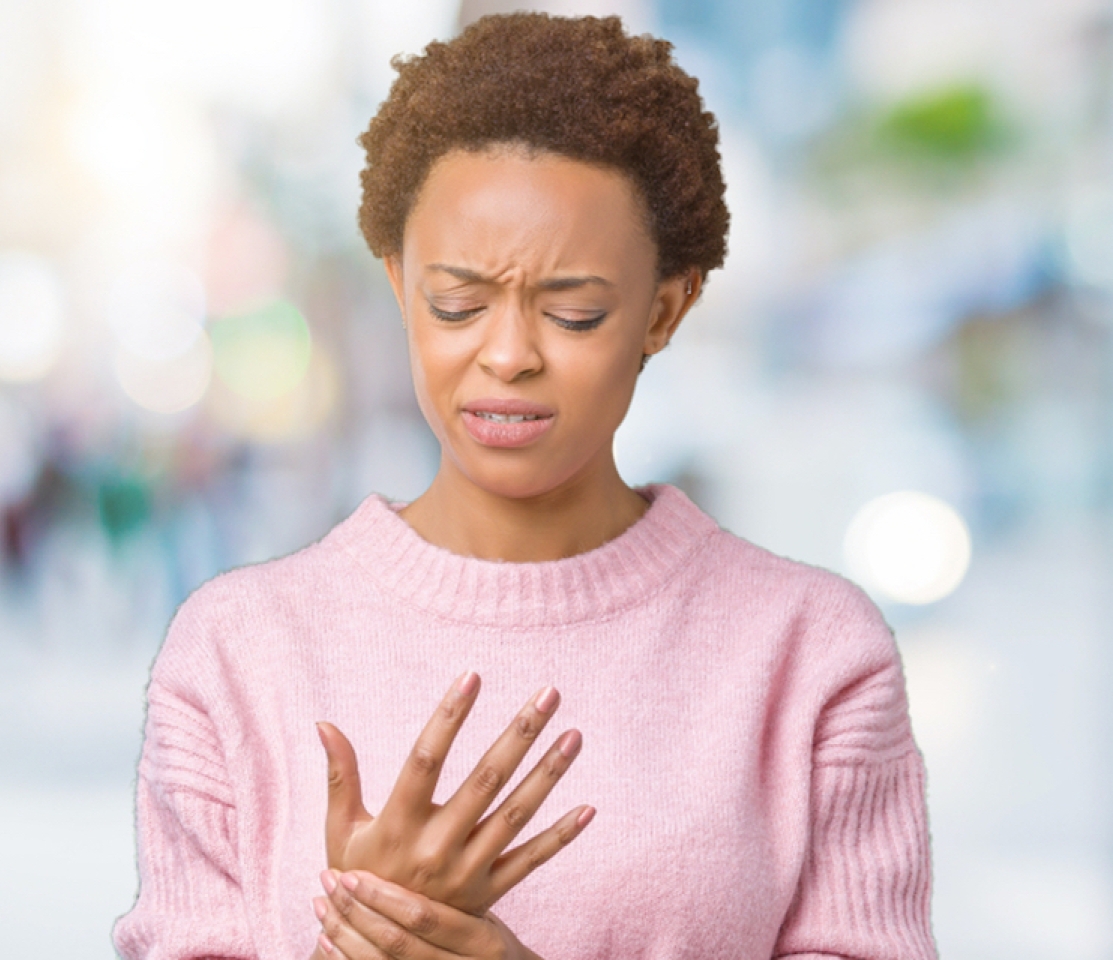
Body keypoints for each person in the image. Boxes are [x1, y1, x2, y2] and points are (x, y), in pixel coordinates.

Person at [113, 13, 936, 960]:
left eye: (575, 312)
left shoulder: (810, 657)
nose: (507, 355)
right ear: (397, 284)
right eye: (456, 304)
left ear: (666, 309)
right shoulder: (236, 652)